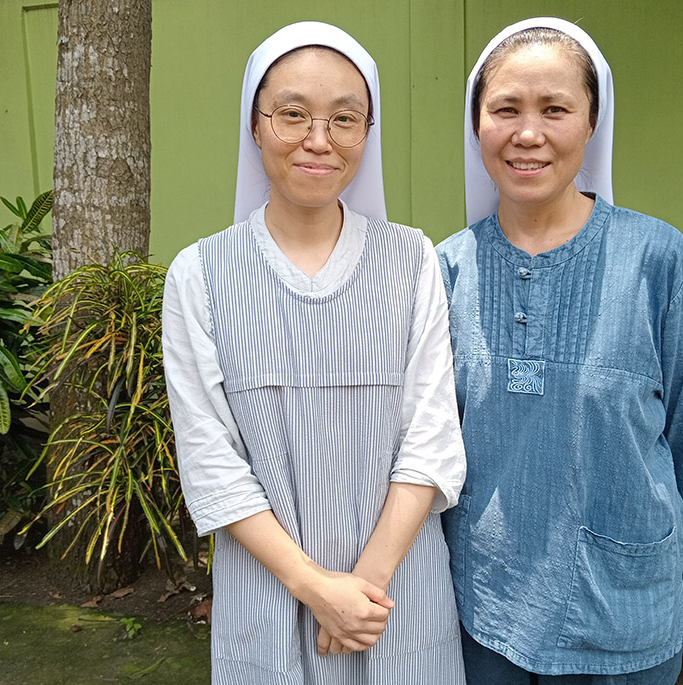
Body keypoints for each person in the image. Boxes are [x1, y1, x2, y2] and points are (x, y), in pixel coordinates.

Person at [162, 21, 466, 685]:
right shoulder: (200, 273)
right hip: (268, 590)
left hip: (394, 598)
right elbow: (211, 459)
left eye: (345, 118)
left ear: (366, 131)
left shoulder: (411, 257)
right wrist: (316, 588)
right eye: (292, 114)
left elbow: (433, 435)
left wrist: (362, 588)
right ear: (254, 123)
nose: (319, 139)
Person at [437, 17, 683, 684]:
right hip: (487, 613)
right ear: (477, 122)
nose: (528, 132)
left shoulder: (659, 260)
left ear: (592, 122)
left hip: (624, 616)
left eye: (555, 108)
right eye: (505, 108)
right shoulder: (447, 269)